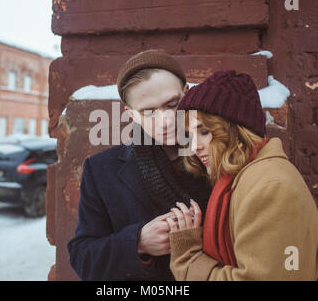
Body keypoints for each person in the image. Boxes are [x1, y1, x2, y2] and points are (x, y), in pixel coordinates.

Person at [166, 70, 318, 281]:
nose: (195, 147)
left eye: (205, 132)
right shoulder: (242, 178)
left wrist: (188, 258)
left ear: (237, 130)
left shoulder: (270, 187)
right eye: (190, 136)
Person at [67, 49, 212, 280]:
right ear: (131, 115)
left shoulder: (221, 154)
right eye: (149, 111)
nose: (165, 121)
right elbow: (82, 257)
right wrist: (138, 242)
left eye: (172, 104)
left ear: (187, 93)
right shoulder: (102, 170)